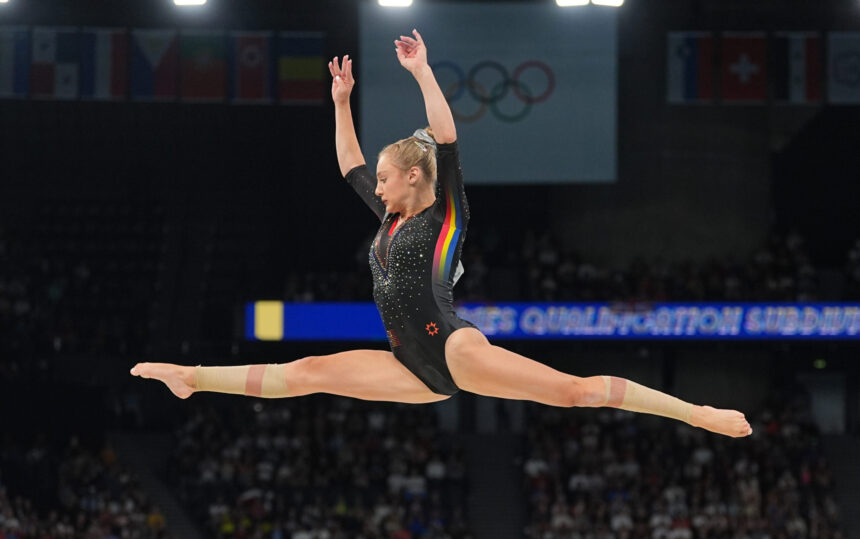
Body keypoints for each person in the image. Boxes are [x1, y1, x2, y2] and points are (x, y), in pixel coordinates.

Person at [131, 30, 752, 439]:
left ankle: (697, 413)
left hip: (453, 347)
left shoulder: (443, 215)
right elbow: (348, 165)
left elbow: (447, 140)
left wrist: (422, 73)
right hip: (410, 366)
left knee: (574, 392)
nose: (376, 187)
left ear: (412, 177)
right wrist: (341, 102)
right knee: (309, 370)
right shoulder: (390, 220)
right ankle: (193, 375)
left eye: (385, 179)